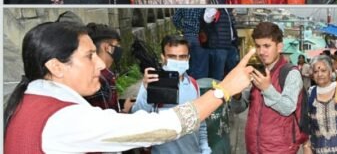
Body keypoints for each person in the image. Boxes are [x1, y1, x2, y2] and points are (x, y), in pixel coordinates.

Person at [3, 21, 255, 152]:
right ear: (56, 67)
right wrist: (224, 89)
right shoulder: (64, 120)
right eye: (90, 56)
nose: (100, 64)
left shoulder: (32, 102)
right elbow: (162, 126)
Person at [131, 35, 211, 154]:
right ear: (163, 57)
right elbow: (137, 117)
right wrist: (147, 90)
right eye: (172, 57)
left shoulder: (193, 85)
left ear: (188, 58)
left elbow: (200, 121)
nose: (177, 61)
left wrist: (204, 149)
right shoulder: (153, 83)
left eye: (182, 57)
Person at [240, 22, 307, 154]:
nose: (261, 52)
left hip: (280, 149)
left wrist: (267, 89)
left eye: (267, 46)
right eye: (258, 46)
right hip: (253, 148)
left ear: (279, 47)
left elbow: (288, 108)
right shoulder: (256, 71)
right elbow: (239, 108)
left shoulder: (290, 73)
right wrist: (236, 96)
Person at [84, 24, 122, 112]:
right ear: (107, 47)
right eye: (116, 45)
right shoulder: (102, 79)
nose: (118, 49)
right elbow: (107, 117)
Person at [173, 9, 210, 79]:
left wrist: (182, 29)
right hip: (199, 37)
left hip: (187, 37)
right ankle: (200, 83)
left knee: (186, 62)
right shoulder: (203, 6)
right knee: (201, 64)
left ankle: (188, 81)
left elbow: (175, 19)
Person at [203, 8, 239, 81]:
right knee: (218, 75)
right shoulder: (213, 6)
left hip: (231, 45)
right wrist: (215, 9)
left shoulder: (228, 8)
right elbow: (207, 19)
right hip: (219, 46)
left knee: (232, 73)